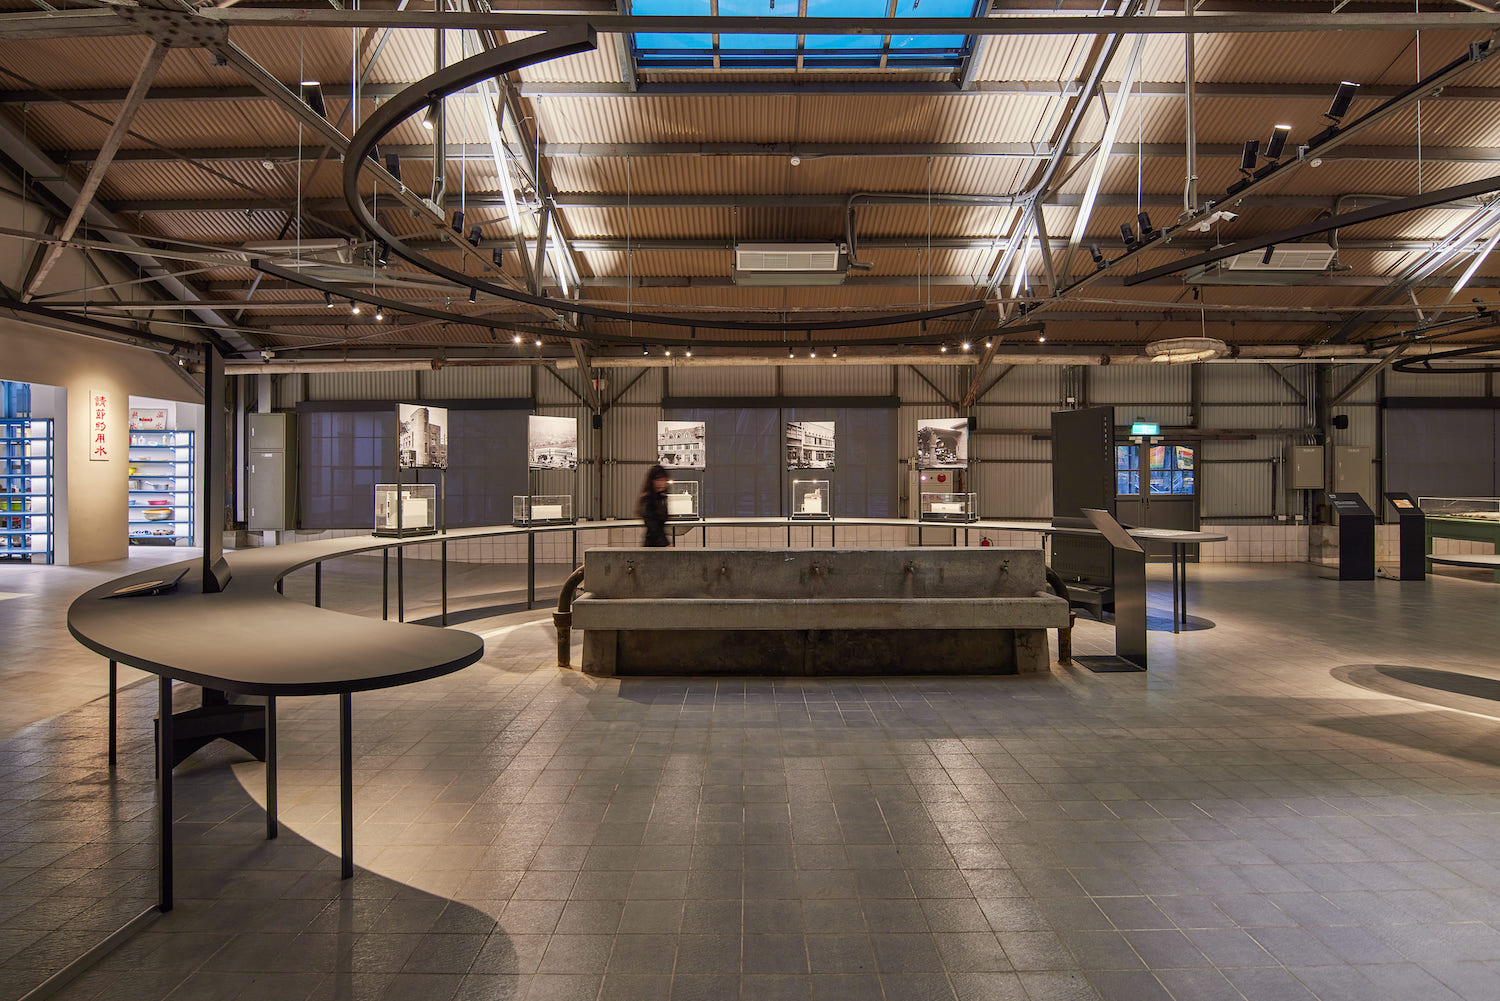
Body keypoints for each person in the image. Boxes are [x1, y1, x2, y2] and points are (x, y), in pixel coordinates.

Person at [638, 464, 671, 547]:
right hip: (653, 545)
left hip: (658, 543)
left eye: (664, 480)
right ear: (652, 481)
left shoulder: (661, 497)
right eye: (658, 480)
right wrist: (665, 544)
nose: (662, 483)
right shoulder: (648, 499)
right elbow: (652, 526)